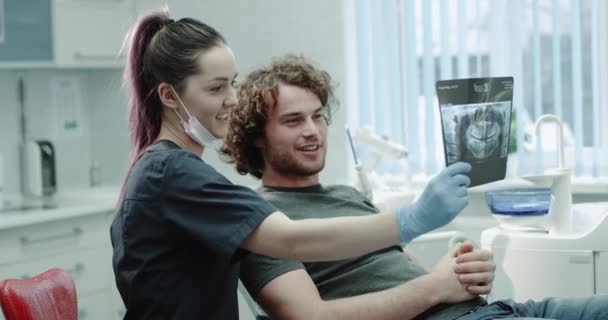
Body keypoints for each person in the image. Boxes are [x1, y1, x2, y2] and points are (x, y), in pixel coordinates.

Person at [110, 9, 474, 320]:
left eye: (233, 84)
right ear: (169, 96)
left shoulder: (165, 170)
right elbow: (291, 240)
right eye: (216, 88)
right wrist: (413, 219)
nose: (233, 100)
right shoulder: (171, 172)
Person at [221, 55, 608, 320]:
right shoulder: (261, 222)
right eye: (293, 121)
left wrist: (463, 272)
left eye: (318, 116)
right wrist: (438, 287)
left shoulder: (348, 196)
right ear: (257, 137)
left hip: (497, 309)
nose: (312, 130)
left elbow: (415, 275)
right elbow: (309, 316)